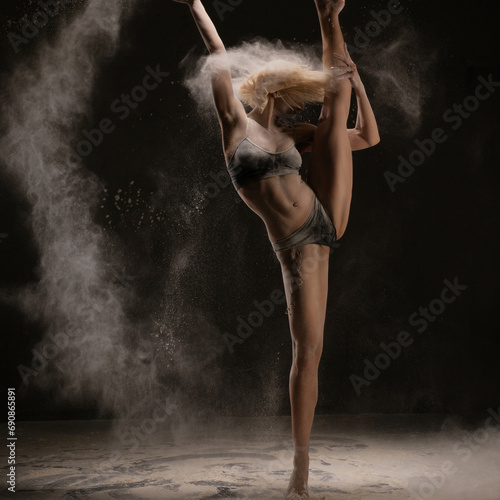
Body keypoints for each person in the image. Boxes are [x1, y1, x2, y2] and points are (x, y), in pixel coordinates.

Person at [171, 0, 380, 497]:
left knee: (337, 105)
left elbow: (368, 137)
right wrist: (196, 4)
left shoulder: (293, 136)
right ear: (269, 89)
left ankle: (328, 14)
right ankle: (300, 468)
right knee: (307, 354)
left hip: (325, 209)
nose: (289, 101)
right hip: (300, 245)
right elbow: (217, 50)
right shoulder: (235, 128)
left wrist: (362, 86)